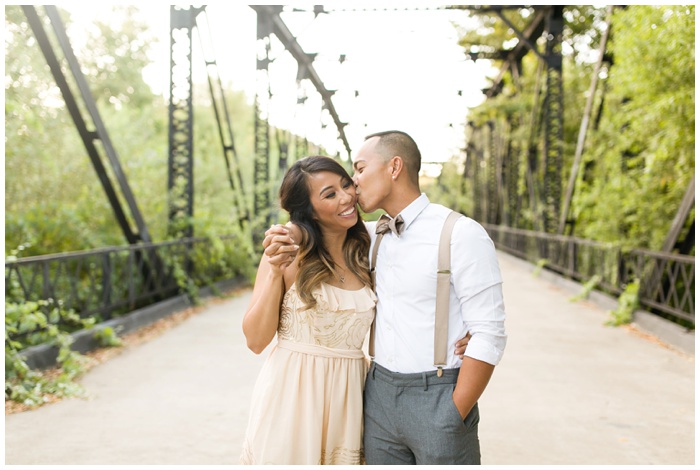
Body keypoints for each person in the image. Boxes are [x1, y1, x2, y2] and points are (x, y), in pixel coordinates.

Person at [241, 155, 471, 465]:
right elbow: (255, 341)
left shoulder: (372, 247)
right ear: (309, 210)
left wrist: (463, 327)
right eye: (330, 194)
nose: (347, 196)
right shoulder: (289, 253)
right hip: (293, 394)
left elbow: (421, 282)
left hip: (351, 395)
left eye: (346, 184)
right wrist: (272, 270)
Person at [352, 130, 507, 465]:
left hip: (439, 397)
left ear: (394, 167)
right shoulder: (370, 237)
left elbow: (489, 332)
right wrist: (292, 231)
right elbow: (320, 231)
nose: (354, 181)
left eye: (360, 169)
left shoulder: (460, 233)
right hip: (377, 397)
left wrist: (454, 412)